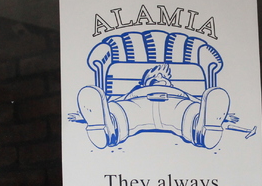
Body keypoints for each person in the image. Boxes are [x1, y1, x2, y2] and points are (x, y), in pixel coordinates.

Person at [76, 63, 230, 149]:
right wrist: (102, 111)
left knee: (191, 112)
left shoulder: (178, 91)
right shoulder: (136, 91)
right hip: (138, 105)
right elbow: (119, 102)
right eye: (155, 76)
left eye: (164, 76)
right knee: (119, 112)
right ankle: (105, 129)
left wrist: (212, 111)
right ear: (144, 81)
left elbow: (197, 103)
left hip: (175, 106)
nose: (161, 77)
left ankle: (205, 129)